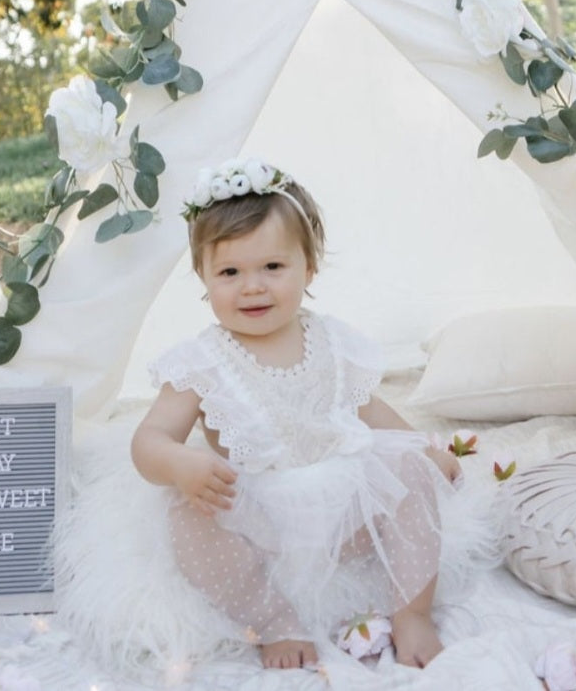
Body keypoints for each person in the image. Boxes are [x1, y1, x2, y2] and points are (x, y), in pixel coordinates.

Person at [131, 158, 463, 671]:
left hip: (343, 508)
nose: (252, 286)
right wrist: (179, 464)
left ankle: (412, 612)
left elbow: (369, 407)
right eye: (229, 272)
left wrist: (424, 450)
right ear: (203, 277)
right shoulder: (200, 362)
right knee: (187, 518)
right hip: (256, 520)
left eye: (272, 267)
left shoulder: (331, 339)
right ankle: (272, 620)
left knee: (409, 471)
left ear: (309, 268)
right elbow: (148, 440)